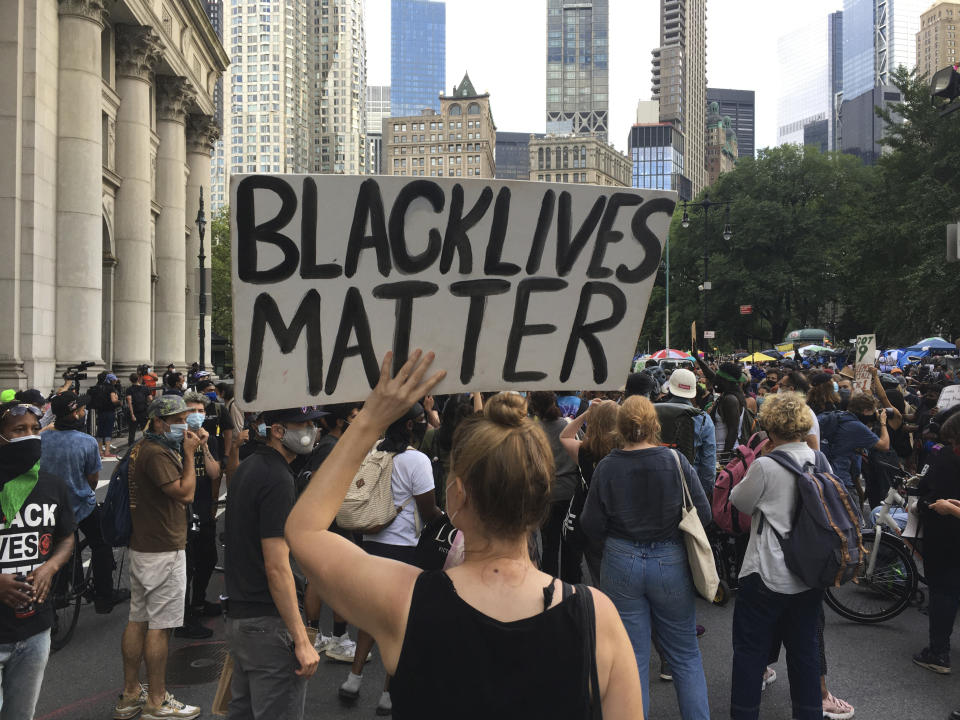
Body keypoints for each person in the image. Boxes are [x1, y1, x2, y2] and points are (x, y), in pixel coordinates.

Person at [286, 351, 643, 719]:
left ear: (456, 498)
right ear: (540, 499)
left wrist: (370, 420)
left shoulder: (405, 600)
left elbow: (304, 529)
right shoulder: (597, 617)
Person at [580, 395, 711, 720]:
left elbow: (590, 525)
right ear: (655, 424)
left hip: (621, 558)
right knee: (684, 654)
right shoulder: (675, 461)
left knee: (632, 657)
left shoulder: (608, 465)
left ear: (619, 427)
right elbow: (704, 515)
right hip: (670, 558)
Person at [729, 392, 845, 720]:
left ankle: (745, 713)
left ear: (771, 427)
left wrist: (757, 459)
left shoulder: (765, 465)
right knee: (804, 650)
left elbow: (740, 502)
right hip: (809, 572)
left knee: (751, 653)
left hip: (764, 572)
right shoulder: (819, 460)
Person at [337, 402, 443, 715]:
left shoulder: (375, 453)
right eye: (422, 419)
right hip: (405, 550)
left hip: (370, 544)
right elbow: (429, 512)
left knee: (370, 618)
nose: (425, 423)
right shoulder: (417, 460)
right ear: (409, 425)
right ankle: (387, 694)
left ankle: (353, 679)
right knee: (399, 625)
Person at [223, 406, 323, 720]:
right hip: (269, 623)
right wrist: (300, 638)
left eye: (312, 423)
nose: (310, 431)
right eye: (303, 424)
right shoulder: (278, 478)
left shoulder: (249, 466)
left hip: (241, 617)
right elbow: (277, 565)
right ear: (277, 431)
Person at [115, 395, 202, 720]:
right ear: (159, 421)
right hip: (163, 548)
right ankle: (156, 699)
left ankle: (131, 693)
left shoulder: (142, 447)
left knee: (138, 619)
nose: (186, 423)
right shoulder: (155, 452)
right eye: (179, 418)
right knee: (160, 626)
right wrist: (190, 455)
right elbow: (185, 492)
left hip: (145, 546)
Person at [0, 402, 76, 720]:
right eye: (19, 430)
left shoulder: (51, 485)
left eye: (34, 429)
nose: (30, 436)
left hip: (35, 630)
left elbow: (66, 537)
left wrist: (50, 566)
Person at [41, 392, 128, 614]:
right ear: (75, 413)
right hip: (79, 505)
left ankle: (60, 590)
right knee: (101, 542)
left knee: (53, 547)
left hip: (49, 507)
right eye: (80, 409)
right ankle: (104, 596)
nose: (83, 412)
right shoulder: (86, 442)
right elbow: (92, 480)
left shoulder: (41, 438)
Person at [913, 413, 960, 676]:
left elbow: (927, 489)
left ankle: (938, 652)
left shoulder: (945, 459)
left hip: (947, 538)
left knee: (944, 591)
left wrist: (947, 508)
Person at [175, 391, 222, 639]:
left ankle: (199, 601)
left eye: (201, 411)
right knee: (187, 566)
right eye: (192, 411)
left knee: (208, 559)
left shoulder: (209, 440)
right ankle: (183, 618)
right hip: (183, 514)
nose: (197, 416)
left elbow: (214, 474)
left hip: (203, 510)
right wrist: (190, 449)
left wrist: (203, 446)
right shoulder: (177, 440)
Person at [558, 399, 621, 585]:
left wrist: (587, 412)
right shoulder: (624, 452)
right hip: (614, 520)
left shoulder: (585, 450)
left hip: (586, 516)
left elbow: (565, 436)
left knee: (587, 567)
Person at [528, 391, 583, 583]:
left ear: (534, 408)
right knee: (571, 544)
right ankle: (572, 586)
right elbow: (582, 453)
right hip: (571, 492)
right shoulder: (569, 426)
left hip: (547, 494)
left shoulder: (532, 432)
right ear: (554, 402)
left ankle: (550, 587)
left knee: (549, 546)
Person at [657, 368, 717, 496]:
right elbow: (708, 463)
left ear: (669, 388)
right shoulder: (703, 419)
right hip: (689, 488)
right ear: (694, 393)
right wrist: (705, 493)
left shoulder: (652, 413)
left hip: (656, 483)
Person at [819, 393, 891, 498]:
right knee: (853, 513)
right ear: (866, 411)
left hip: (826, 474)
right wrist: (883, 423)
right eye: (872, 411)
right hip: (841, 480)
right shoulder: (857, 427)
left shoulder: (840, 416)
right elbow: (885, 445)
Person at [92, 372, 121, 458]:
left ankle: (100, 451)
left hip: (100, 411)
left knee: (100, 431)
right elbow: (113, 400)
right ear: (111, 380)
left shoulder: (99, 387)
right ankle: (107, 451)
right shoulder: (111, 388)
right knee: (108, 431)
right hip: (109, 411)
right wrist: (119, 401)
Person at [125, 373, 151, 447]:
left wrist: (132, 414)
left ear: (130, 380)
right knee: (145, 429)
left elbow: (129, 402)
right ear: (138, 379)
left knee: (132, 431)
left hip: (135, 412)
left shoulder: (129, 389)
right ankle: (146, 444)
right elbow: (150, 399)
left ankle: (131, 447)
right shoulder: (145, 388)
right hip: (143, 412)